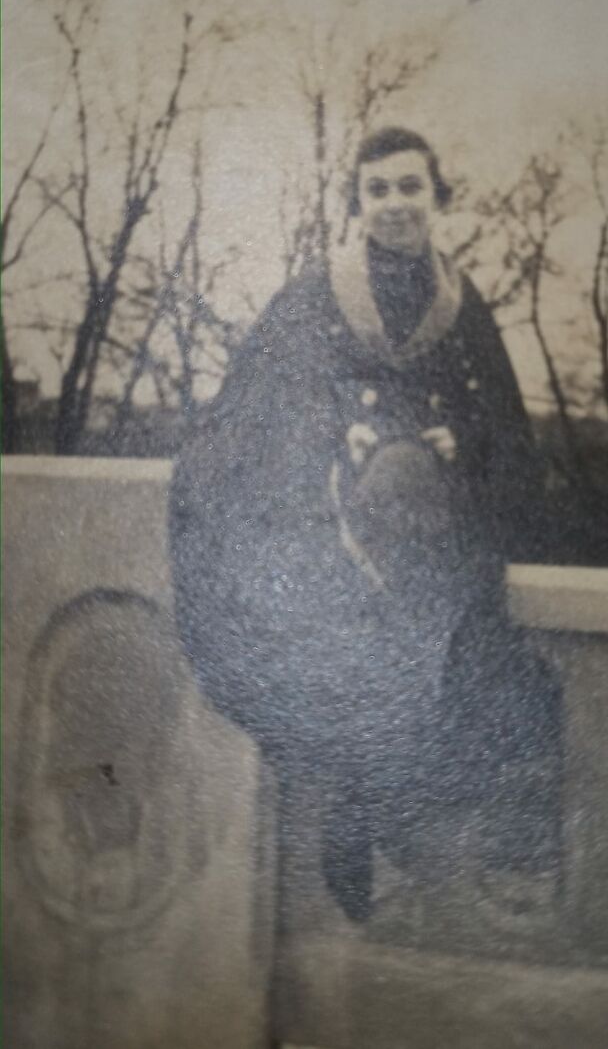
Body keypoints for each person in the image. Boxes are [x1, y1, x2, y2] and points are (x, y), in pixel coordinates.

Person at [170, 126, 552, 918]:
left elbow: (510, 430)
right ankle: (353, 855)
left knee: (461, 678)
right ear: (358, 203)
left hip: (434, 541)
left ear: (437, 197)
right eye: (377, 190)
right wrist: (333, 439)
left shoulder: (462, 302)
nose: (395, 205)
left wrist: (465, 440)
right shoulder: (318, 293)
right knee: (339, 686)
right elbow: (251, 408)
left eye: (411, 187)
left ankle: (403, 849)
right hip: (335, 531)